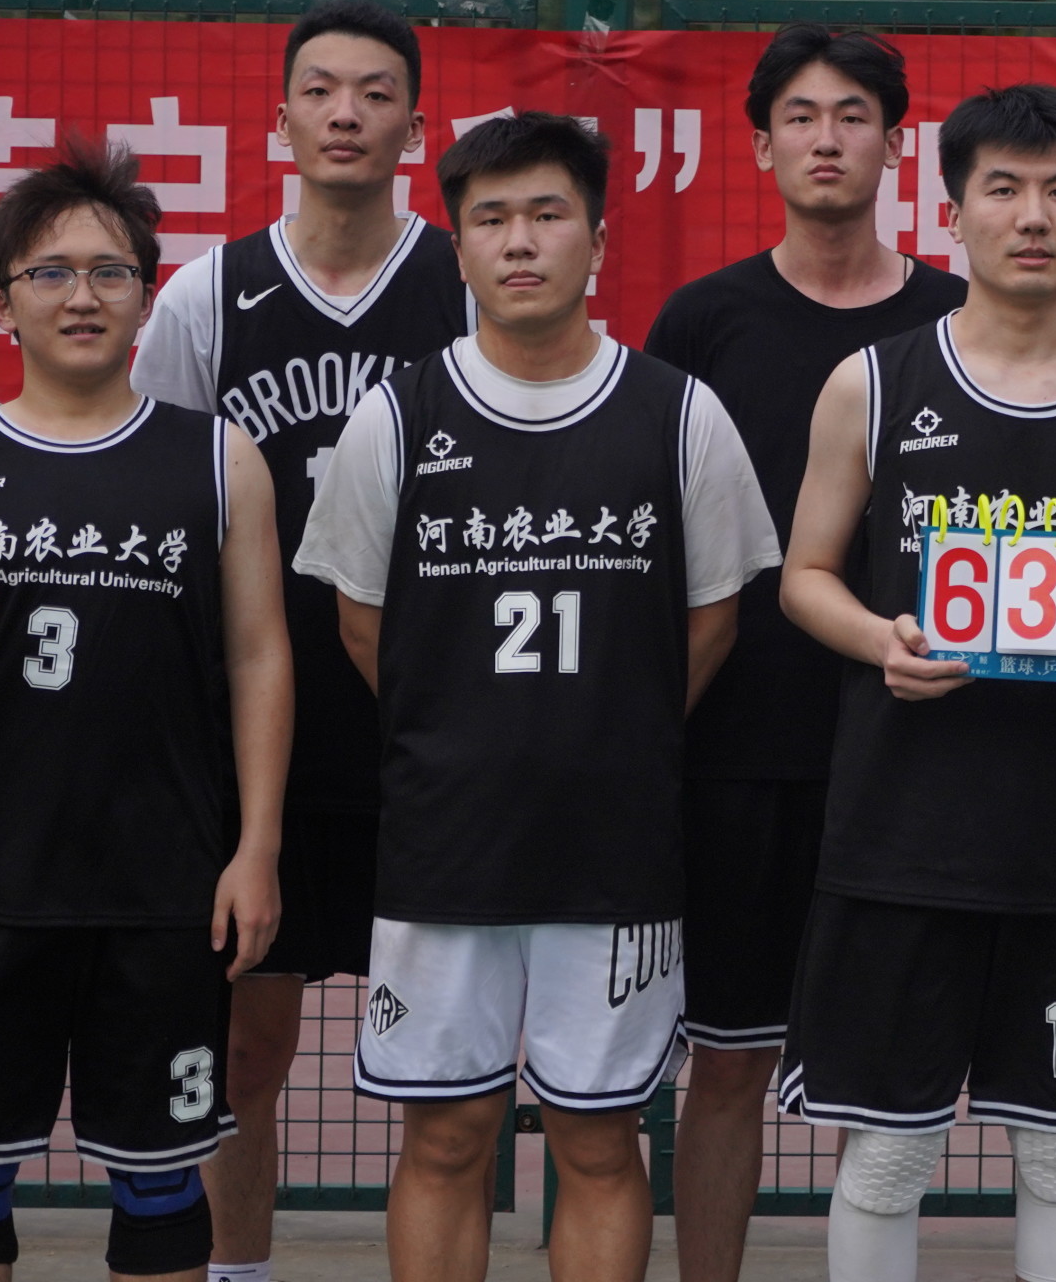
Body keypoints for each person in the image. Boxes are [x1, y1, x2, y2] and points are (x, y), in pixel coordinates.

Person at [293, 113, 780, 1282]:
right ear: (458, 248)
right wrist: (462, 737)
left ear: (597, 241)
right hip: (445, 846)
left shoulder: (679, 413)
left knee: (600, 1140)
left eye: (548, 214)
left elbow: (713, 619)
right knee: (445, 1136)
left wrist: (611, 734)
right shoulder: (397, 416)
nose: (520, 242)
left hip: (614, 847)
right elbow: (361, 621)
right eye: (492, 220)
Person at [0, 136, 292, 1282]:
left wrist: (257, 849)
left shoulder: (218, 459)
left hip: (162, 890)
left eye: (109, 271)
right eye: (49, 272)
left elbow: (259, 659)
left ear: (147, 294)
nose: (81, 295)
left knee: (161, 1183)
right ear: (1, 303)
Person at [778, 83, 1056, 1282]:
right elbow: (804, 576)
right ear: (954, 211)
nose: (1033, 216)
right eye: (1004, 189)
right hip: (900, 839)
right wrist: (883, 640)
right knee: (886, 1154)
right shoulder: (874, 382)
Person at [131, 0, 470, 1282]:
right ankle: (238, 1271)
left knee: (445, 1067)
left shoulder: (463, 283)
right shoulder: (208, 297)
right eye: (321, 90)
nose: (346, 113)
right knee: (245, 1048)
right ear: (278, 121)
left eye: (376, 93)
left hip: (426, 737)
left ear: (416, 129)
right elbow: (160, 500)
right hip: (256, 749)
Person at [641, 26, 965, 1282]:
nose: (827, 139)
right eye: (801, 116)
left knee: (886, 1078)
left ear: (895, 143)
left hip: (909, 753)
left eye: (853, 116)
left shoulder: (954, 318)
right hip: (737, 752)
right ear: (761, 143)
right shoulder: (704, 321)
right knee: (727, 1063)